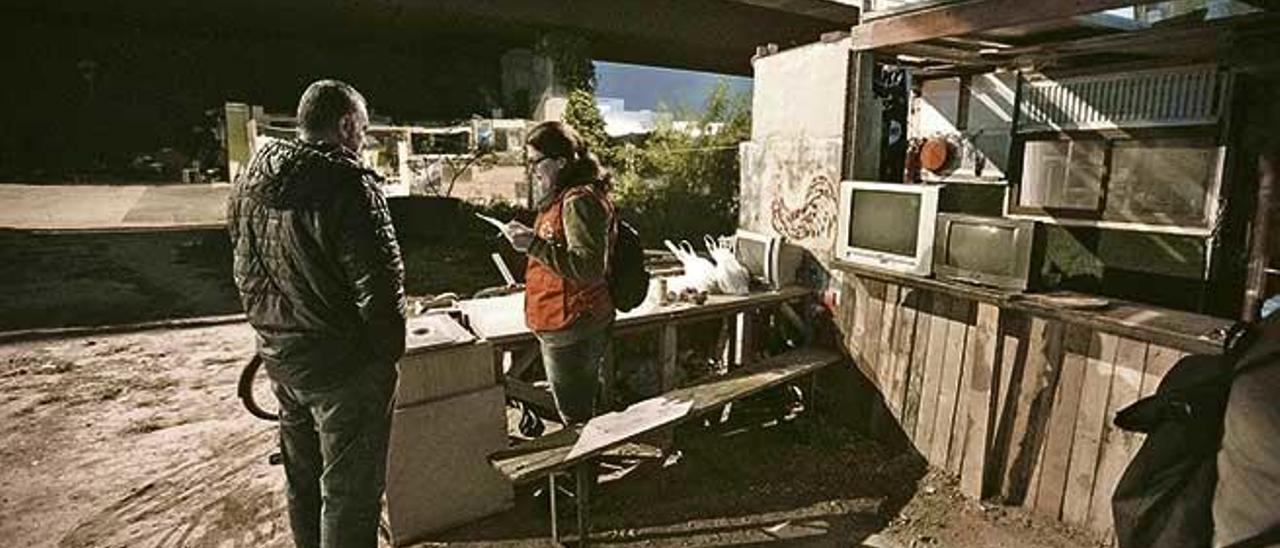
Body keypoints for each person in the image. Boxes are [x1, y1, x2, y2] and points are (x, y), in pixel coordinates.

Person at [227, 79, 405, 548]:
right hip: (343, 371)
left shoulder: (250, 180)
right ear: (347, 125)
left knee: (303, 482)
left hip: (284, 362)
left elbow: (247, 267)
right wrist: (385, 359)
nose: (363, 140)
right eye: (363, 129)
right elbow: (381, 290)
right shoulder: (349, 186)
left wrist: (272, 336)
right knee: (350, 494)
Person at [500, 121, 615, 426]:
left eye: (537, 161)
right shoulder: (563, 197)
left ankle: (580, 471)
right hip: (560, 319)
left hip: (573, 323)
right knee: (577, 409)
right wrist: (532, 240)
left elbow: (588, 267)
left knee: (576, 418)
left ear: (561, 161)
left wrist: (533, 245)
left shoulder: (578, 201)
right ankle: (579, 468)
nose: (532, 169)